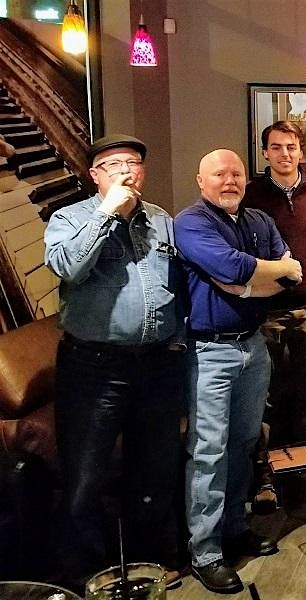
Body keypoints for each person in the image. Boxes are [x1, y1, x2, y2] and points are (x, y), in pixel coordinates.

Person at [44, 135, 187, 590]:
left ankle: (148, 563)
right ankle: (85, 574)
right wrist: (107, 213)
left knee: (154, 470)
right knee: (86, 476)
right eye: (114, 164)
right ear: (95, 175)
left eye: (133, 163)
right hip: (94, 368)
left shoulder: (161, 220)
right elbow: (67, 267)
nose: (126, 171)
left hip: (157, 365)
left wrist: (177, 341)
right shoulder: (69, 218)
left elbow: (178, 284)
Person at [175, 149, 302, 594]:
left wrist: (247, 284)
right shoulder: (191, 223)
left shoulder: (259, 221)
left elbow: (289, 278)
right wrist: (264, 271)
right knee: (209, 451)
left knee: (245, 443)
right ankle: (205, 552)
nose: (229, 181)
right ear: (200, 180)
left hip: (253, 346)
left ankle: (234, 529)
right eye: (219, 174)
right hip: (209, 352)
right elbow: (231, 266)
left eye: (236, 174)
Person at [241, 121, 306, 509]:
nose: (284, 154)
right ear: (264, 153)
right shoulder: (250, 195)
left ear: (301, 150)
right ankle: (266, 481)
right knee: (266, 401)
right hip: (263, 313)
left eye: (291, 147)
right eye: (276, 147)